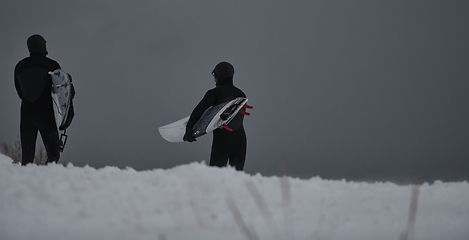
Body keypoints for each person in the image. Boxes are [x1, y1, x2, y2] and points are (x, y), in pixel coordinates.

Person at [14, 34, 70, 165]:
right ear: (43, 46)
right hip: (46, 114)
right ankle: (44, 180)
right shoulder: (52, 64)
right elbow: (61, 89)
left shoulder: (20, 66)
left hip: (26, 113)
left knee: (27, 158)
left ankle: (25, 182)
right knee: (53, 156)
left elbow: (20, 93)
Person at [183, 62, 248, 170]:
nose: (214, 79)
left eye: (214, 75)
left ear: (219, 75)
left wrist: (189, 128)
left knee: (216, 176)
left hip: (222, 140)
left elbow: (199, 110)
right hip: (240, 140)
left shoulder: (215, 93)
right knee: (238, 178)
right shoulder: (241, 94)